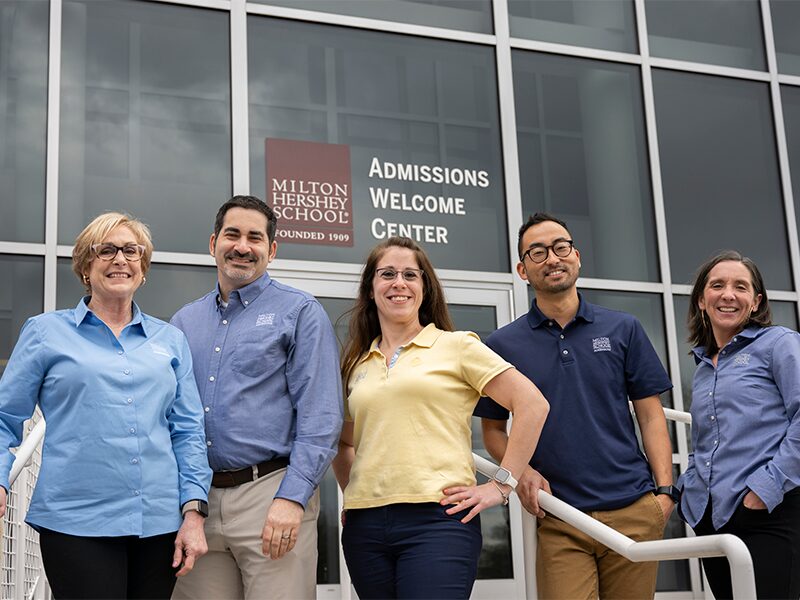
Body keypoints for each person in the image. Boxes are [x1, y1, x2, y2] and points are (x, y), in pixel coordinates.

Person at [0, 212, 211, 599]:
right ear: (86, 266)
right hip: (75, 522)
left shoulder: (171, 341)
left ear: (143, 268)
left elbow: (188, 432)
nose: (120, 260)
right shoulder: (45, 332)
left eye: (131, 251)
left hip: (159, 524)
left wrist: (194, 512)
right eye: (106, 250)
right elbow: (4, 416)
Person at [332, 236, 549, 600]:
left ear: (424, 287)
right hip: (365, 527)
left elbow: (532, 404)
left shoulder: (457, 346)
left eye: (410, 275)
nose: (399, 283)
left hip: (438, 521)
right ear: (370, 288)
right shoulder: (356, 363)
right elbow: (344, 441)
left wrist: (501, 484)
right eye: (387, 274)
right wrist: (353, 493)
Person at [475, 212, 676, 600]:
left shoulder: (623, 328)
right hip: (560, 515)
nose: (552, 258)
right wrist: (522, 472)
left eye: (560, 247)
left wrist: (665, 493)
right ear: (522, 270)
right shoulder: (502, 344)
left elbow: (651, 416)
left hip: (633, 509)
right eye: (537, 252)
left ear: (576, 256)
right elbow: (493, 431)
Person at [170, 195, 343, 600]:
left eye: (255, 237)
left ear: (272, 249)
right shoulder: (183, 323)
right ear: (213, 243)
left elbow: (320, 417)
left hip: (270, 493)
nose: (242, 247)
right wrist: (187, 504)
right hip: (199, 503)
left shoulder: (300, 312)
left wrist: (292, 498)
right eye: (232, 235)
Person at [680, 250, 800, 600]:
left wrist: (765, 489)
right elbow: (703, 442)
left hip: (770, 511)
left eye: (741, 287)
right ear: (701, 300)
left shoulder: (779, 343)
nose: (728, 295)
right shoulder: (703, 367)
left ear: (756, 301)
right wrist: (690, 489)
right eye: (717, 285)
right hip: (713, 519)